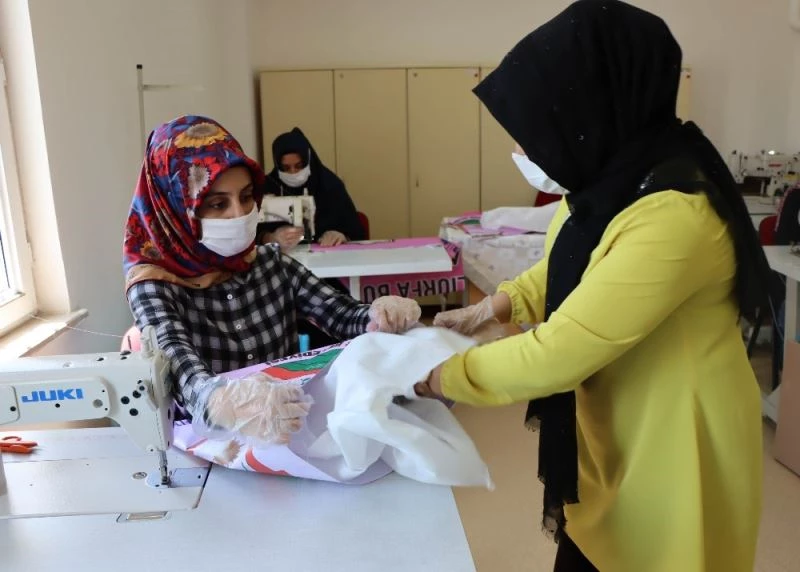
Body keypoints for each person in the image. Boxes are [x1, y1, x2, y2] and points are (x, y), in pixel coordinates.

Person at [418, 2, 771, 571]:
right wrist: (496, 305)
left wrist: (440, 375)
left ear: (593, 109)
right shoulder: (602, 185)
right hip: (612, 421)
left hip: (674, 439)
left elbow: (560, 351)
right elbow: (566, 265)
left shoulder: (676, 214)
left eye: (535, 134)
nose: (523, 153)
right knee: (593, 545)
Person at [123, 115, 420, 444]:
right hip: (213, 448)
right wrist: (221, 402)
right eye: (218, 204)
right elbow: (180, 367)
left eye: (247, 197)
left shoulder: (269, 263)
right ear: (175, 207)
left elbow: (339, 313)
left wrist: (378, 316)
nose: (239, 214)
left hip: (289, 436)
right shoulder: (154, 284)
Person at [258, 127, 365, 250]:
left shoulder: (330, 185)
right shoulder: (268, 186)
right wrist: (269, 238)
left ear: (308, 159)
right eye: (286, 168)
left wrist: (342, 236)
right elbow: (251, 234)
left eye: (299, 166)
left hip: (328, 256)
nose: (293, 172)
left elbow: (356, 231)